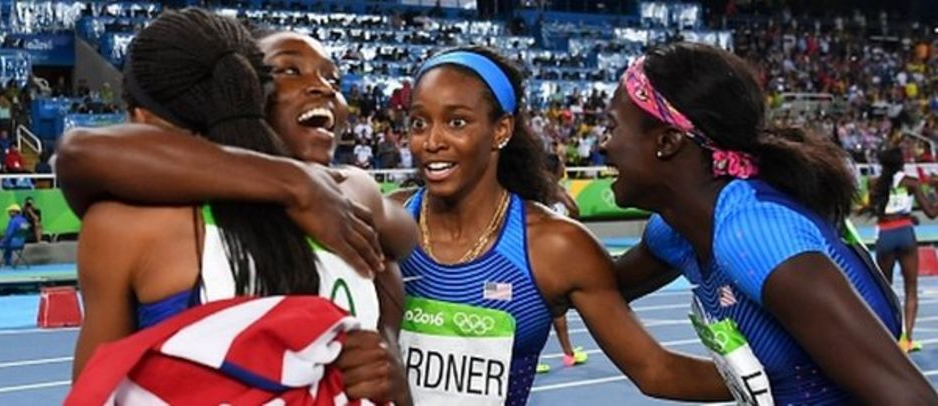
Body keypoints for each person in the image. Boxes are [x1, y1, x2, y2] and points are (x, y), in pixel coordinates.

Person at [67, 10, 409, 405]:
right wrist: (297, 185)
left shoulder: (354, 194)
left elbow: (91, 391)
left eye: (334, 78)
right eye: (289, 71)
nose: (321, 88)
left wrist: (388, 363)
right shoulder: (345, 198)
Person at [391, 46, 730, 405]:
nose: (431, 141)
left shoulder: (557, 248)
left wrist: (778, 376)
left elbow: (656, 371)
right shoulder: (385, 224)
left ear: (501, 130)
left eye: (456, 122)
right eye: (418, 123)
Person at [606, 43, 936, 404]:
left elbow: (911, 398)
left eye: (613, 126)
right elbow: (592, 285)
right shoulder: (677, 231)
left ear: (667, 141)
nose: (604, 145)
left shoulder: (756, 236)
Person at [864, 147, 938, 352]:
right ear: (902, 163)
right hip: (905, 234)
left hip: (884, 235)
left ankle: (886, 338)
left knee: (883, 290)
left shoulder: (874, 183)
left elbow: (874, 209)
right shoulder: (911, 183)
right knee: (911, 288)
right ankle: (908, 340)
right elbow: (931, 213)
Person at [536, 152, 586, 374]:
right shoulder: (551, 190)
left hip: (547, 257)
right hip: (540, 257)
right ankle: (542, 356)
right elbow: (575, 210)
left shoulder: (544, 188)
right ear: (554, 169)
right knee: (541, 309)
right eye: (563, 164)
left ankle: (568, 354)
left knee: (555, 309)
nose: (565, 167)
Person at [0, 204, 28, 269]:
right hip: (21, 244)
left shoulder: (13, 221)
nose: (9, 213)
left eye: (10, 211)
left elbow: (9, 235)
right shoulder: (24, 220)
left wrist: (2, 240)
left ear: (15, 212)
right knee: (7, 244)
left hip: (11, 244)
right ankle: (8, 264)